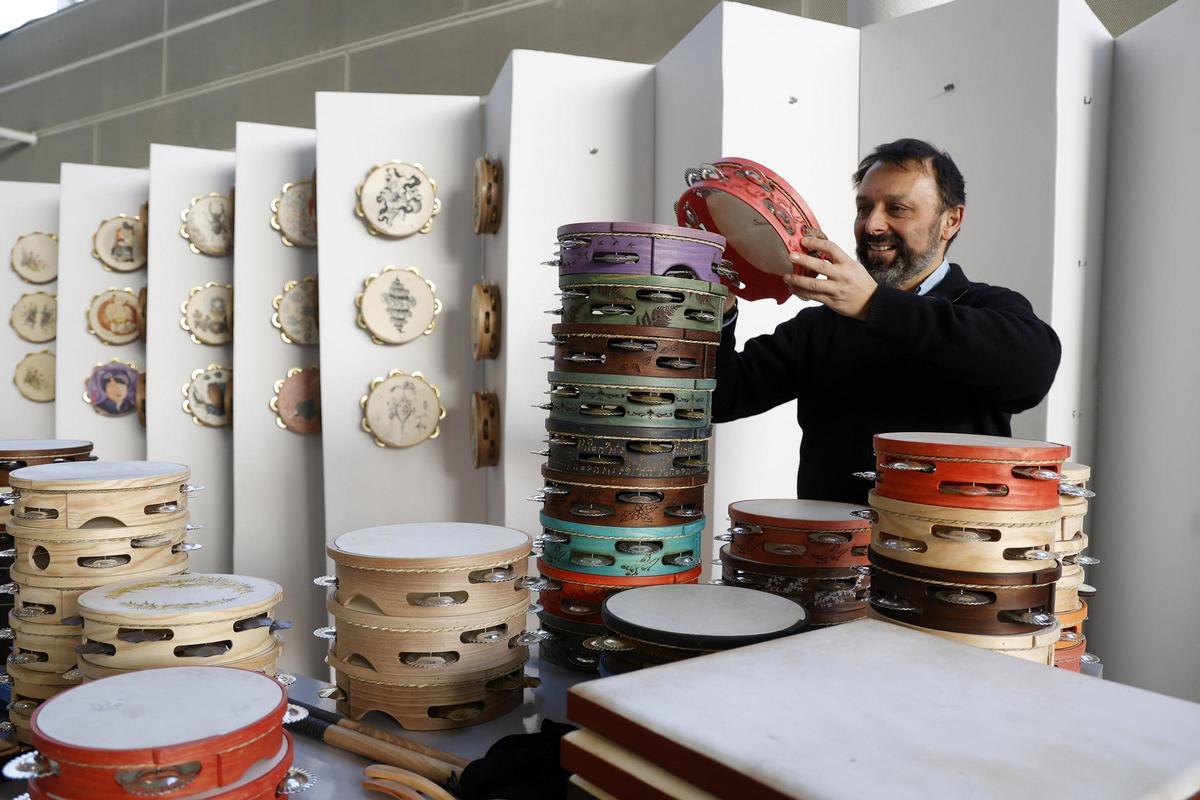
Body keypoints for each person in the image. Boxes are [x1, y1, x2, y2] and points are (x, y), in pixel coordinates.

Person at [713, 138, 1061, 504]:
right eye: (864, 208)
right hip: (832, 557)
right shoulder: (820, 326)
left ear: (950, 221)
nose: (873, 225)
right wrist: (716, 313)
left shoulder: (986, 306)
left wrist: (875, 305)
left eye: (897, 208)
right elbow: (720, 399)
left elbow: (1032, 373)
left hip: (950, 555)